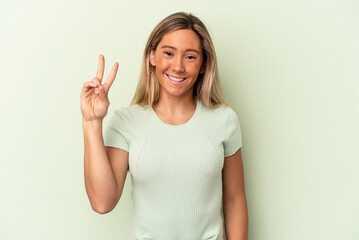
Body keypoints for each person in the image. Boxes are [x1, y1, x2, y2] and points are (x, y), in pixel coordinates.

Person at [81, 12, 248, 240]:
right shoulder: (125, 122)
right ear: (152, 56)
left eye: (190, 57)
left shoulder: (224, 120)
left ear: (203, 65)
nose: (178, 66)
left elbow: (235, 200)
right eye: (168, 53)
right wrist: (91, 122)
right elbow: (102, 202)